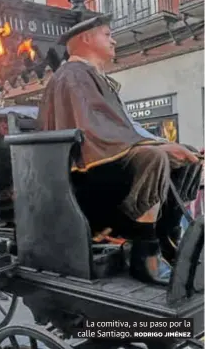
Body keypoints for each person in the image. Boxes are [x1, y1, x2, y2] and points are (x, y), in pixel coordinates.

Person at [38, 14, 202, 285]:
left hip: (105, 157)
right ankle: (144, 253)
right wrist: (158, 147)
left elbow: (125, 127)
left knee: (187, 157)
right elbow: (95, 130)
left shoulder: (94, 76)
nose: (113, 39)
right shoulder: (73, 75)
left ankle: (168, 237)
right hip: (82, 170)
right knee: (152, 158)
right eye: (107, 33)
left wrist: (171, 145)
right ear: (87, 39)